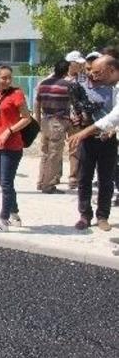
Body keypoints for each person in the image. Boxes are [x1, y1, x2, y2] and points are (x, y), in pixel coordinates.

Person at [67, 55, 119, 231]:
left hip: (108, 139)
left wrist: (111, 130)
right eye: (91, 71)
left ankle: (102, 216)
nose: (94, 75)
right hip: (88, 140)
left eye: (98, 72)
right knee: (84, 178)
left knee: (106, 180)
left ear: (110, 70)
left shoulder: (113, 88)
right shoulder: (80, 88)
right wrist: (79, 124)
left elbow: (114, 117)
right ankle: (85, 215)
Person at [0, 64, 32, 233]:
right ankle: (15, 215)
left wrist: (9, 131)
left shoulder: (17, 94)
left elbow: (26, 118)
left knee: (6, 183)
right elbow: (0, 117)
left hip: (12, 144)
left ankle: (3, 220)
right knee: (4, 183)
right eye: (3, 77)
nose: (7, 80)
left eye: (9, 77)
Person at [33, 60, 73, 194]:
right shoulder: (67, 85)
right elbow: (73, 103)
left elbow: (37, 104)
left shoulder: (43, 84)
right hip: (58, 122)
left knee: (45, 152)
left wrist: (38, 121)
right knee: (54, 155)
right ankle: (48, 185)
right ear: (66, 70)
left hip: (45, 120)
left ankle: (41, 181)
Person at [64, 50, 87, 189]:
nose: (80, 66)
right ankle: (53, 177)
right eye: (77, 63)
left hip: (76, 119)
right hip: (60, 117)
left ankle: (73, 176)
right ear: (70, 64)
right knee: (54, 149)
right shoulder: (59, 78)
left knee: (75, 147)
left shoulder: (83, 79)